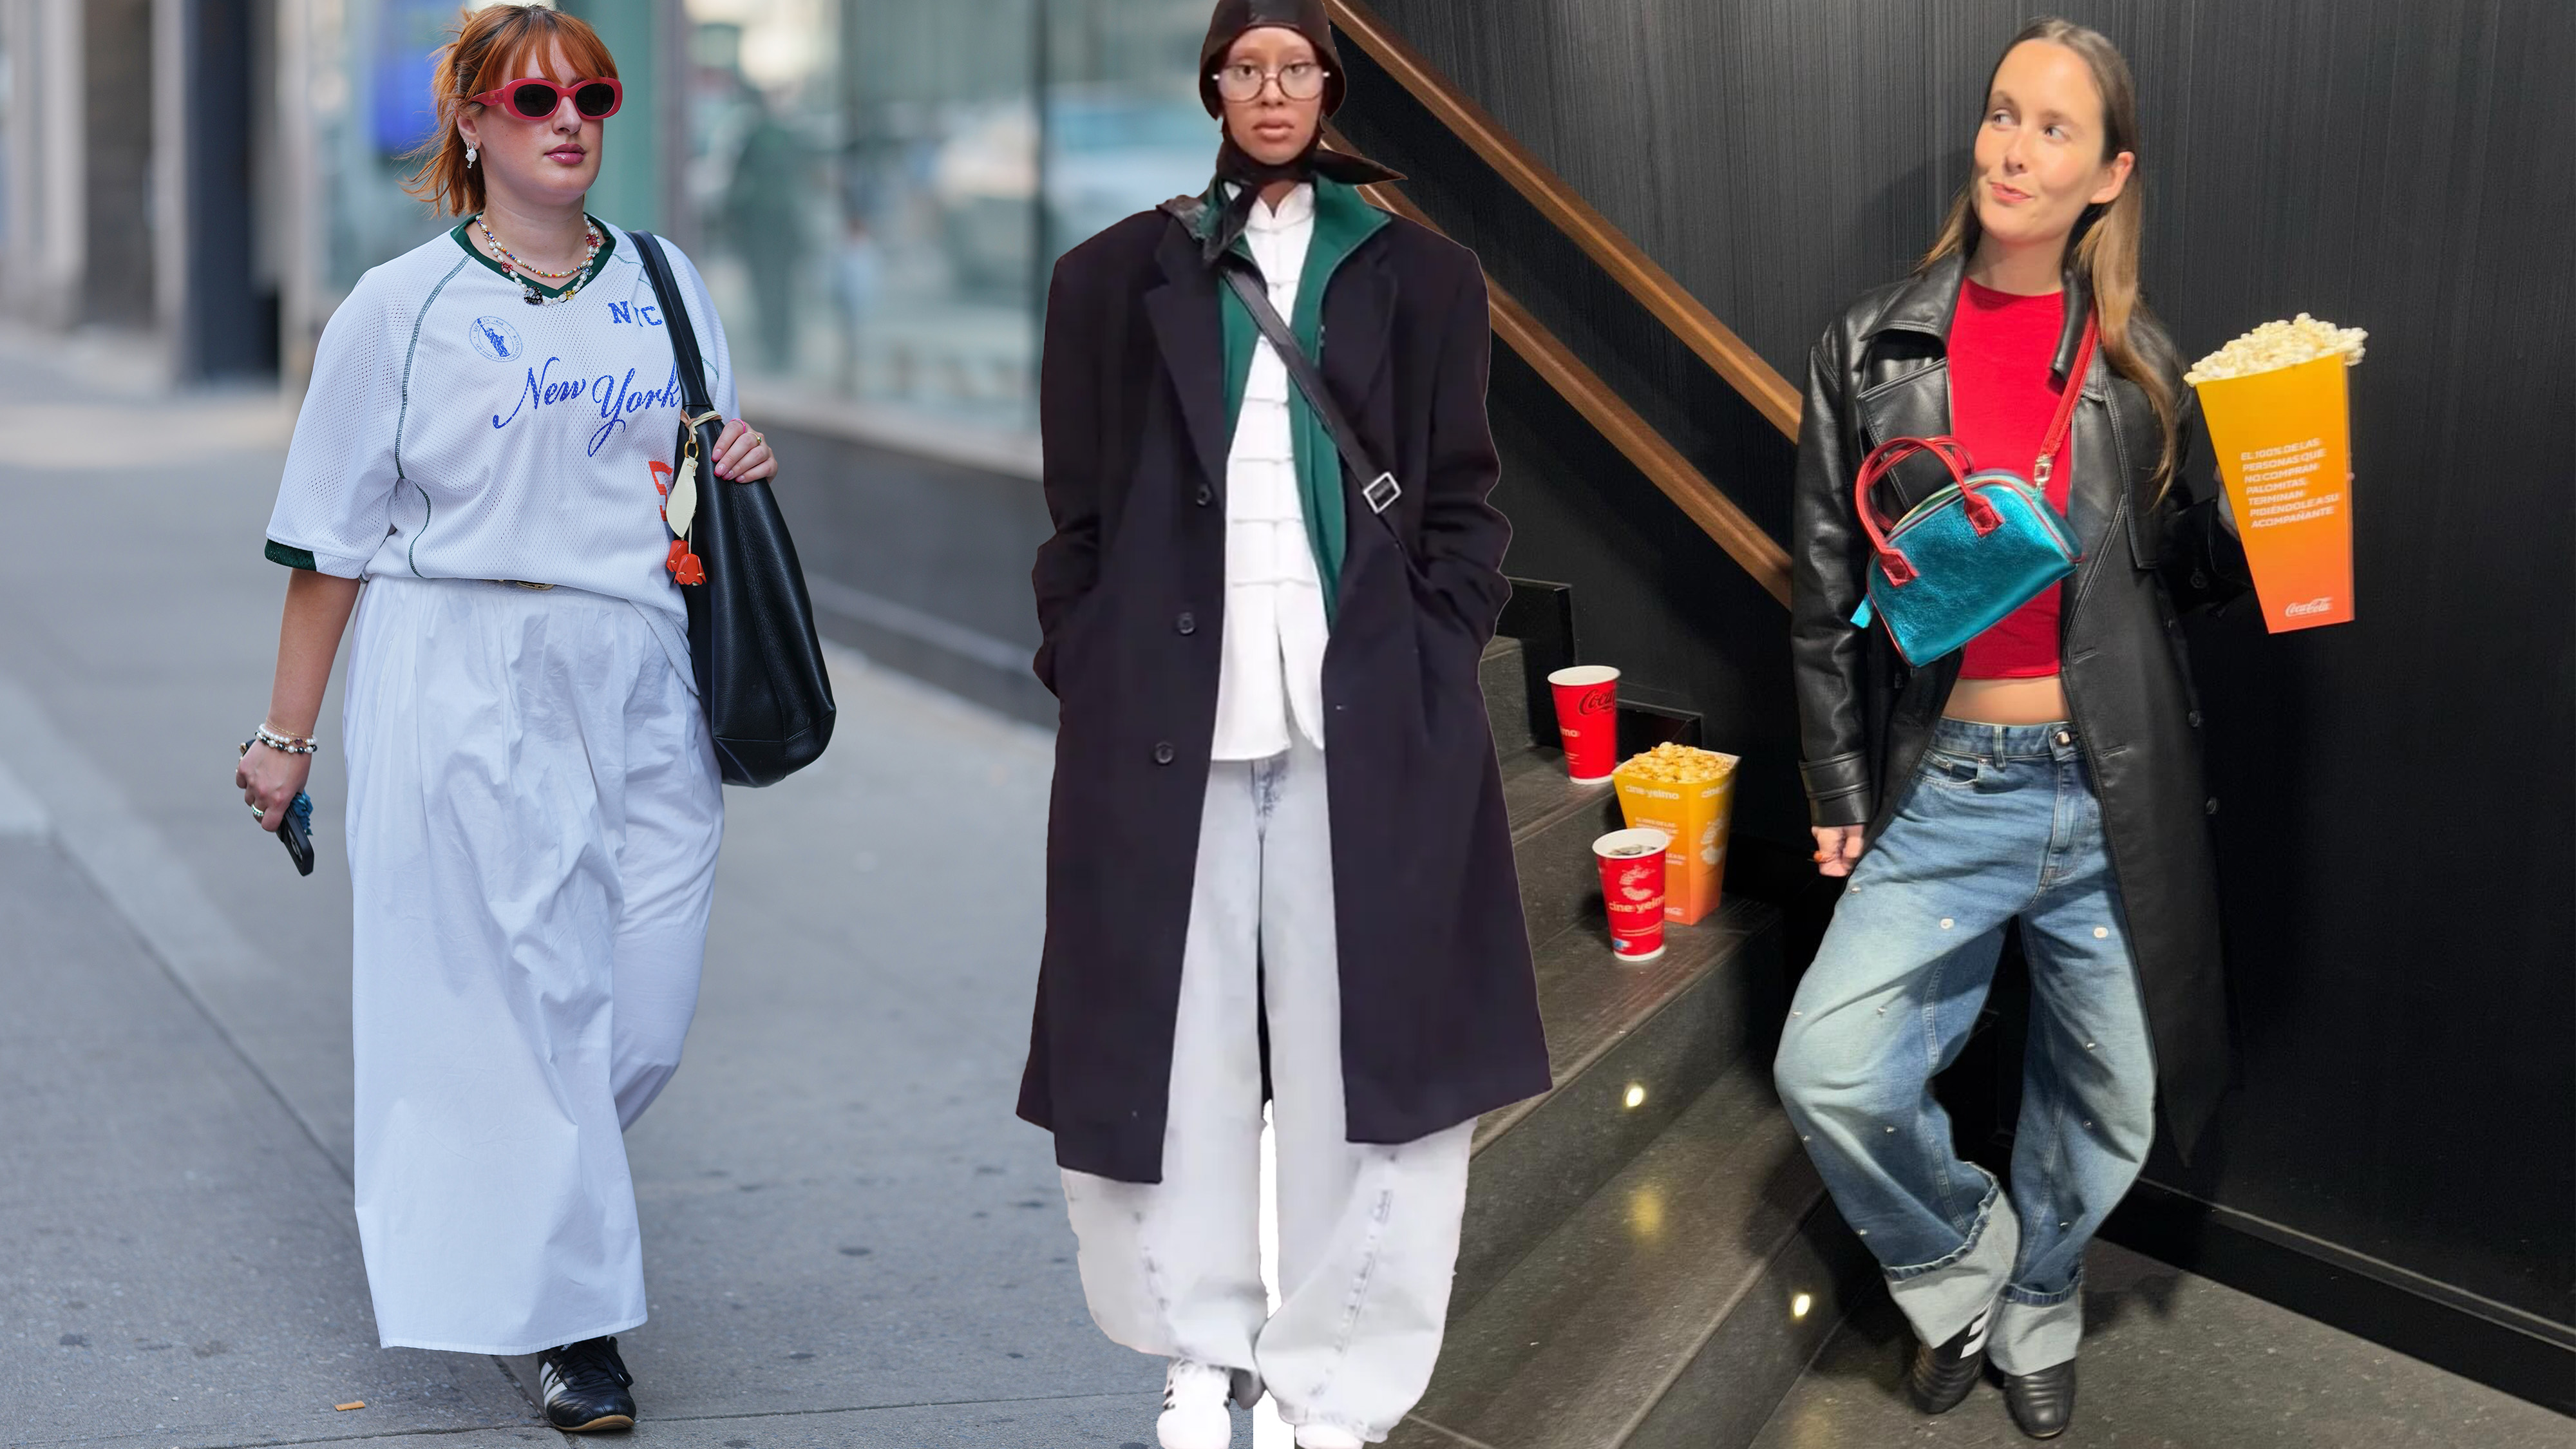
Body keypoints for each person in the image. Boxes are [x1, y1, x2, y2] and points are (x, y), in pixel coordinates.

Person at [231, 5, 775, 1432]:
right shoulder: (397, 307)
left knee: (637, 1012)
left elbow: (689, 468)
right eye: (532, 99)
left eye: (589, 94)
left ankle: (500, 1213)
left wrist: (729, 456)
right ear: (470, 124)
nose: (568, 119)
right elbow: (329, 544)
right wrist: (286, 741)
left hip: (643, 668)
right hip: (460, 662)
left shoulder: (665, 282)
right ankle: (573, 1330)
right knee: (530, 1003)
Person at [1018, 2, 1549, 1444]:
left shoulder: (1424, 277)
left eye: (1293, 67)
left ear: (1327, 87)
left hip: (1364, 718)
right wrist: (1086, 650)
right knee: (1165, 1045)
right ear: (1213, 86)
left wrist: (1439, 645)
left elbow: (1460, 501)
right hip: (1162, 724)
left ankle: (1338, 1383)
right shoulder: (1108, 277)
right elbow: (1077, 515)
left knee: (1363, 1060)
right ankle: (1199, 1351)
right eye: (1244, 67)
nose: (1269, 89)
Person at [1774, 18, 2252, 1441]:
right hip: (1947, 783)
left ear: (2107, 174)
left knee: (2110, 1099)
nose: (2011, 148)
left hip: (2111, 796)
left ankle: (2040, 1298)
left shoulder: (2141, 367)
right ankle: (1955, 1265)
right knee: (1829, 1070)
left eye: (2052, 129)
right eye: (2000, 114)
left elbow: (2187, 594)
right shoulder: (1867, 347)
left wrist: (2251, 516)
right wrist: (1834, 777)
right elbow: (1817, 598)